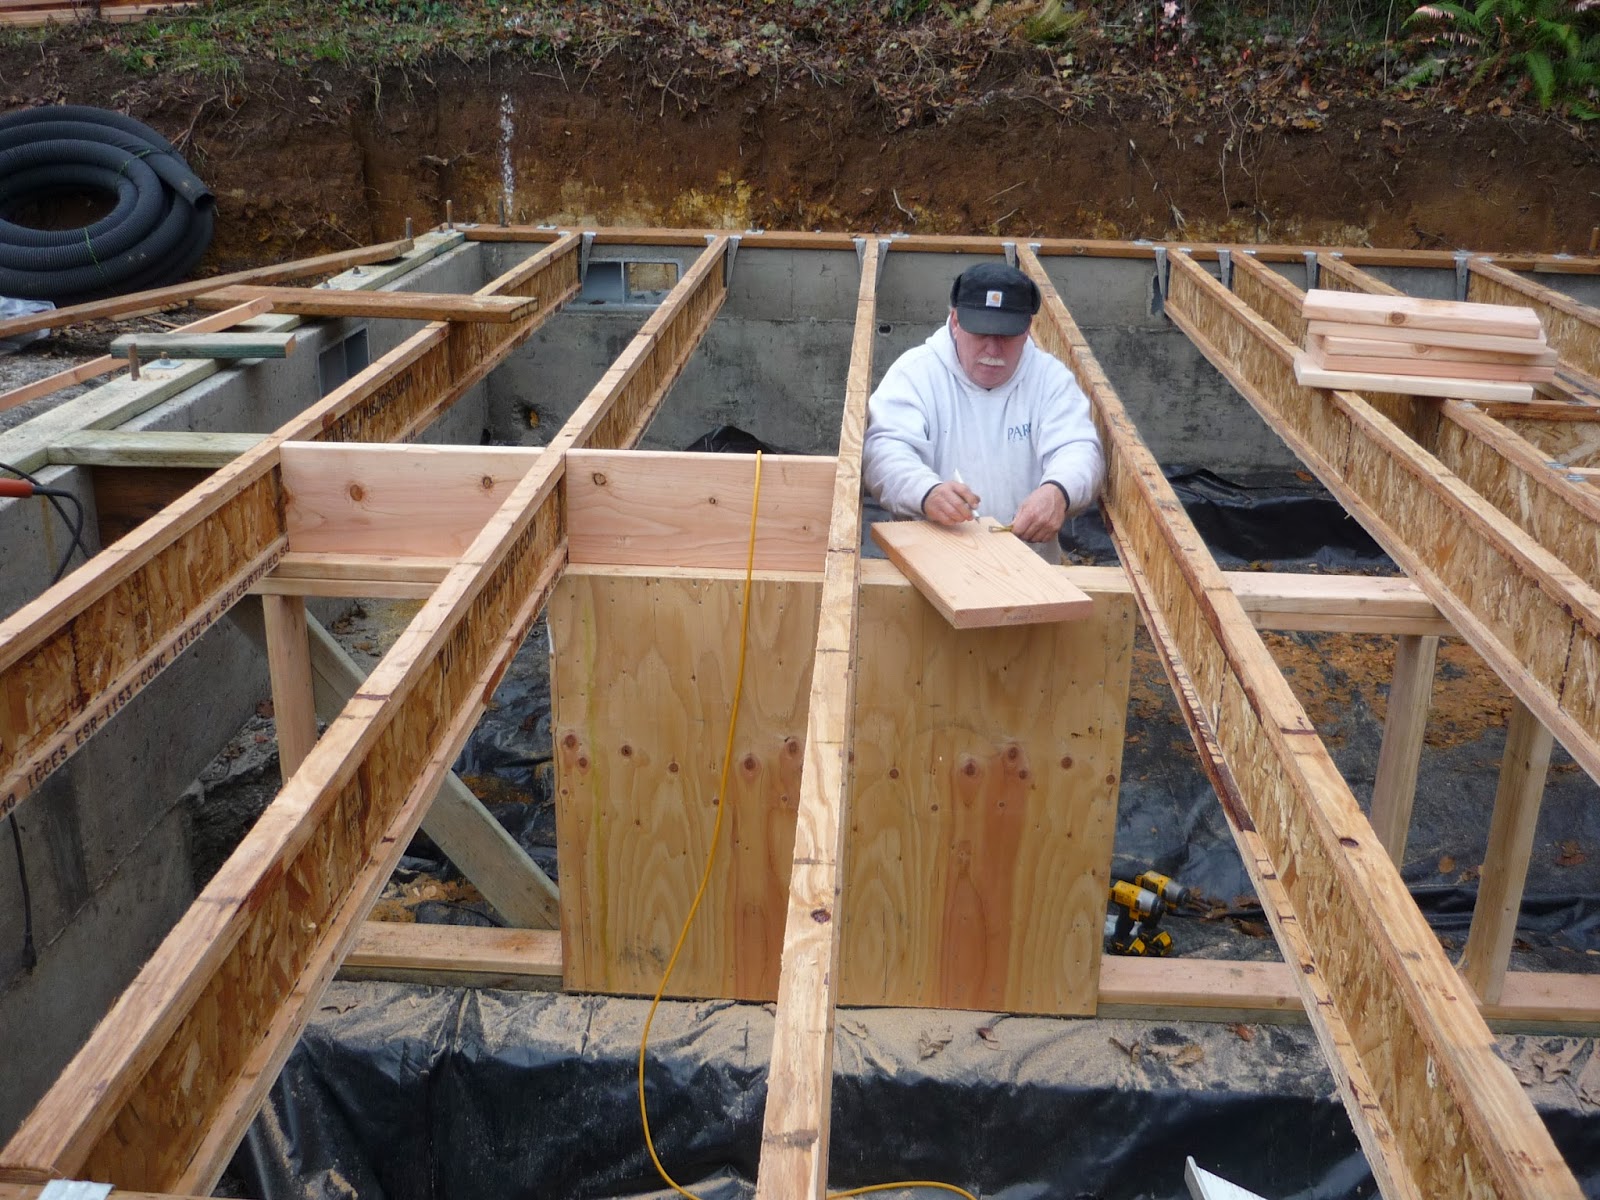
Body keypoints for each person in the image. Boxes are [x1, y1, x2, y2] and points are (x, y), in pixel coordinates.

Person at [862, 262, 1104, 562]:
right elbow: (885, 450)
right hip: (929, 567)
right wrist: (926, 492)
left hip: (1031, 566)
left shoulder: (1050, 379)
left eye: (1006, 335)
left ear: (1028, 328)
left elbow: (1077, 448)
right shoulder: (915, 374)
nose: (992, 350)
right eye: (980, 333)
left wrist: (1058, 491)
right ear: (955, 321)